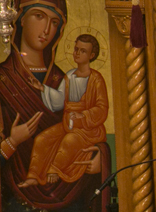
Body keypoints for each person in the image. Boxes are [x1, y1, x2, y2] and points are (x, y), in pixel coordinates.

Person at [0, 0, 110, 212]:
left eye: (54, 21)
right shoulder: (3, 81)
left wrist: (100, 158)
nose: (47, 30)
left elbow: (94, 130)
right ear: (18, 18)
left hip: (73, 200)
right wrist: (12, 142)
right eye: (38, 16)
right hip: (16, 208)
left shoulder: (65, 80)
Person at [20, 33, 109, 188]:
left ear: (91, 55)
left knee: (70, 141)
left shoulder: (96, 79)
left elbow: (102, 108)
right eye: (76, 49)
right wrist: (42, 88)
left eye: (83, 51)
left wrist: (84, 115)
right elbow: (60, 100)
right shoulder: (69, 76)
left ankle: (55, 169)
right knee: (42, 138)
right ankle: (33, 176)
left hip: (88, 129)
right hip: (68, 123)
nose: (77, 53)